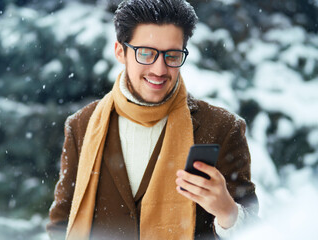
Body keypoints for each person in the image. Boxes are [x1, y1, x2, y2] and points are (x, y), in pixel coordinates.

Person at [46, 0, 259, 239]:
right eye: (145, 53)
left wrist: (228, 212)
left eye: (172, 55)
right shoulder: (81, 125)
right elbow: (61, 224)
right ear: (120, 51)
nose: (159, 69)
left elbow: (255, 231)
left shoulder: (222, 127)